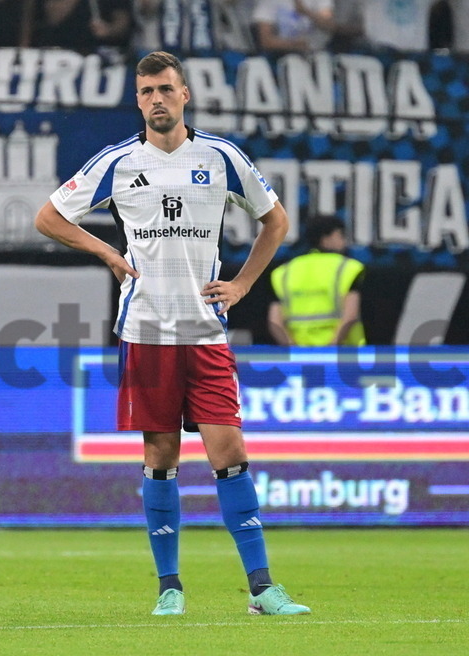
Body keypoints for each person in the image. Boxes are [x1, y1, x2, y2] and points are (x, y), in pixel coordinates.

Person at [35, 51, 311, 616]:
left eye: (165, 88)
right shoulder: (118, 161)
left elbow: (276, 220)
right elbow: (49, 216)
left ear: (185, 94)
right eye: (146, 92)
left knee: (230, 451)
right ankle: (170, 588)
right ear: (137, 101)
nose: (156, 99)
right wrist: (106, 250)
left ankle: (262, 589)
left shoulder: (221, 156)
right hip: (146, 331)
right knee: (160, 457)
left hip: (206, 332)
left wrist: (242, 284)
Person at [268, 214, 366, 346]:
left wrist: (293, 349)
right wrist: (331, 348)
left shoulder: (284, 272)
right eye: (340, 235)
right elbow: (350, 315)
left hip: (300, 353)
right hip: (345, 352)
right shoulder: (348, 268)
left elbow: (275, 321)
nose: (345, 242)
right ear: (325, 239)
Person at [252, 0, 335, 52]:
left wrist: (305, 12)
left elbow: (329, 26)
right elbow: (265, 41)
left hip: (318, 55)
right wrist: (295, 44)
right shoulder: (268, 2)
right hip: (281, 56)